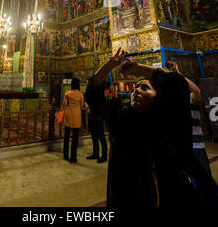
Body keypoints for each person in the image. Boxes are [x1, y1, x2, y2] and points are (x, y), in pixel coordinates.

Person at [85, 48, 218, 207]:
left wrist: (137, 68)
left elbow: (177, 84)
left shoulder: (169, 122)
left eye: (144, 88)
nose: (136, 91)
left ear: (160, 96)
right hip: (127, 197)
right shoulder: (122, 119)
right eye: (135, 88)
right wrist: (109, 65)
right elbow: (93, 95)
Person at [165, 60, 212, 176]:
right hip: (178, 148)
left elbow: (197, 91)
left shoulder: (190, 98)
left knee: (204, 180)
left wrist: (178, 74)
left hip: (196, 148)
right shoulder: (169, 103)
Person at [85, 79, 108, 163]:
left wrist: (100, 116)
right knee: (94, 136)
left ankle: (104, 155)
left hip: (98, 116)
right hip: (92, 114)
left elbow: (102, 104)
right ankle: (95, 153)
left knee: (101, 136)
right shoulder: (92, 92)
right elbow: (86, 98)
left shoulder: (101, 92)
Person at [63, 78, 85, 164]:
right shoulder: (80, 94)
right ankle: (73, 157)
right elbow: (82, 105)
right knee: (75, 138)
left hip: (68, 115)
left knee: (66, 136)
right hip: (77, 116)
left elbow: (64, 104)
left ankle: (65, 154)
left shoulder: (67, 93)